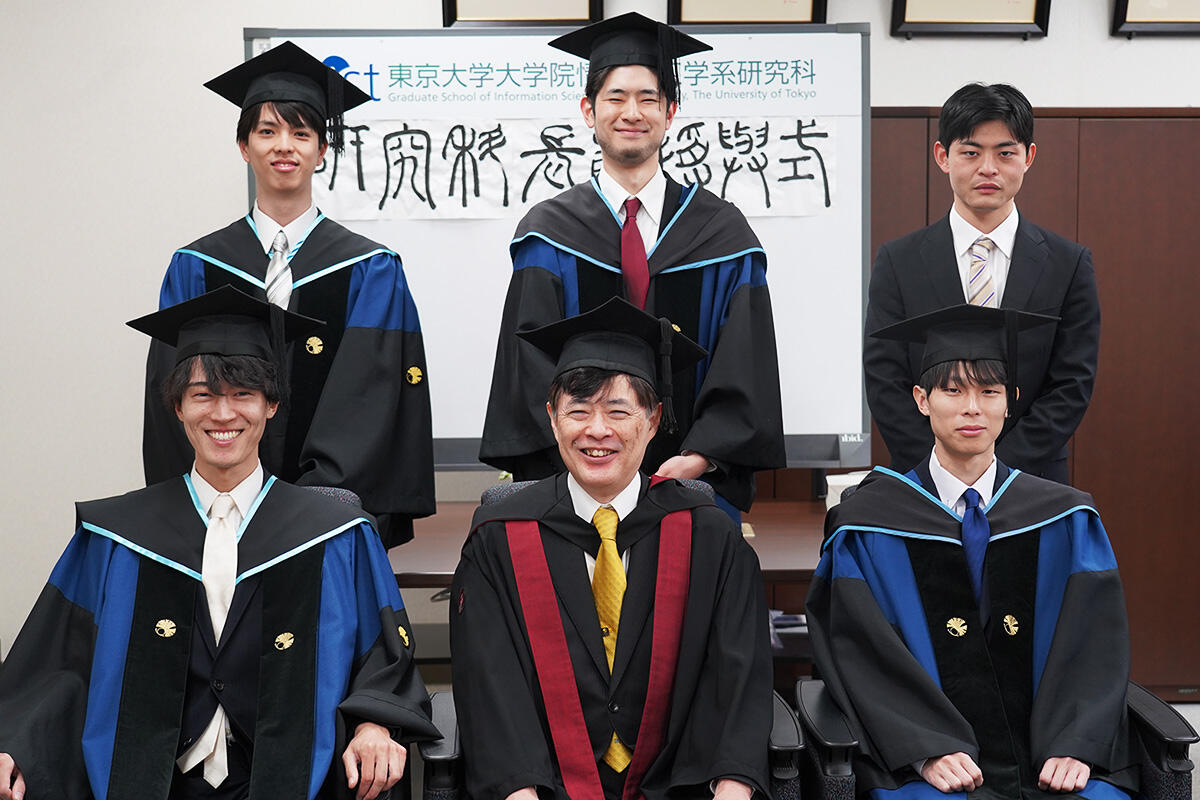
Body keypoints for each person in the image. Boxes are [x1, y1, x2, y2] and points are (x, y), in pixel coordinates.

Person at [0, 286, 438, 800]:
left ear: (271, 406)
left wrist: (374, 726)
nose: (223, 414)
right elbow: (55, 664)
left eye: (242, 395)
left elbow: (385, 658)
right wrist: (16, 743)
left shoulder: (337, 534)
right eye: (204, 395)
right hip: (155, 781)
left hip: (293, 778)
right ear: (179, 408)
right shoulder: (116, 536)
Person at [808, 305, 1136, 800]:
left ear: (1012, 402)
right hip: (924, 761)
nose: (972, 408)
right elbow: (858, 650)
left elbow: (1096, 643)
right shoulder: (867, 525)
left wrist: (1075, 741)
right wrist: (925, 746)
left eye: (989, 391)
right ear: (922, 400)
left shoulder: (1067, 519)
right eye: (953, 390)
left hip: (1048, 752)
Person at [452, 297, 772, 800]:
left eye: (617, 411)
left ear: (652, 420)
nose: (596, 431)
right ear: (552, 419)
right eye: (577, 411)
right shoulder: (500, 537)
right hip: (543, 791)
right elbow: (491, 688)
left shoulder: (709, 537)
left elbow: (740, 679)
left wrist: (731, 788)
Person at [479, 13, 785, 518]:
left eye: (648, 98)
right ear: (588, 109)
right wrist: (583, 460)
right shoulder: (549, 233)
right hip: (575, 482)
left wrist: (700, 458)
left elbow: (744, 362)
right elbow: (528, 364)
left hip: (685, 486)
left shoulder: (723, 234)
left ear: (671, 111)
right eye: (616, 97)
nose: (632, 112)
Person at [143, 41, 434, 548]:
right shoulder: (195, 266)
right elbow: (170, 396)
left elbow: (370, 395)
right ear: (243, 146)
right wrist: (212, 494)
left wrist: (315, 502)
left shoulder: (371, 269)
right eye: (267, 131)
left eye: (301, 133)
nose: (285, 146)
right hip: (217, 506)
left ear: (322, 150)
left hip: (326, 512)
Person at [864, 82, 1100, 484]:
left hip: (1033, 478)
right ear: (943, 156)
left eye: (1005, 153)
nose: (987, 168)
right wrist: (944, 470)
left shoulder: (1068, 263)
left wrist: (995, 471)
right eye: (970, 153)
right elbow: (884, 377)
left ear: (1029, 157)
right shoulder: (898, 261)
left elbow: (1072, 381)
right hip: (924, 480)